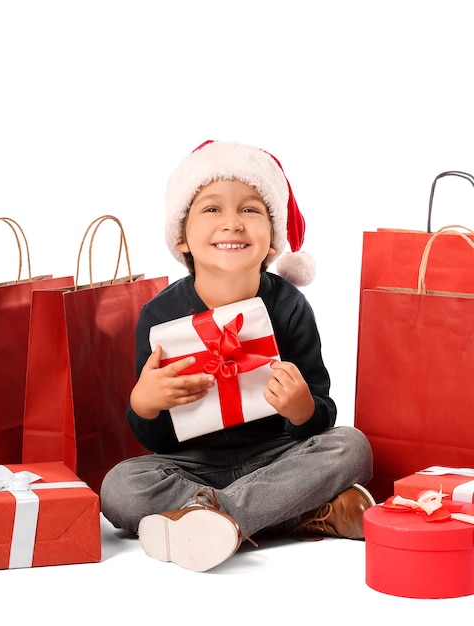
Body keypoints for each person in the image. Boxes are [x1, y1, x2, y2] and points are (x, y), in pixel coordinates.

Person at [100, 140, 374, 572]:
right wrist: (144, 404)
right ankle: (296, 513)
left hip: (276, 456)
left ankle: (208, 521)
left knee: (352, 446)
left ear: (272, 240)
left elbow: (322, 415)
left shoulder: (289, 306)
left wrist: (303, 409)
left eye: (250, 210)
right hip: (193, 466)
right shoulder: (159, 316)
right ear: (181, 236)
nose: (232, 223)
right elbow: (157, 442)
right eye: (211, 209)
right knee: (119, 487)